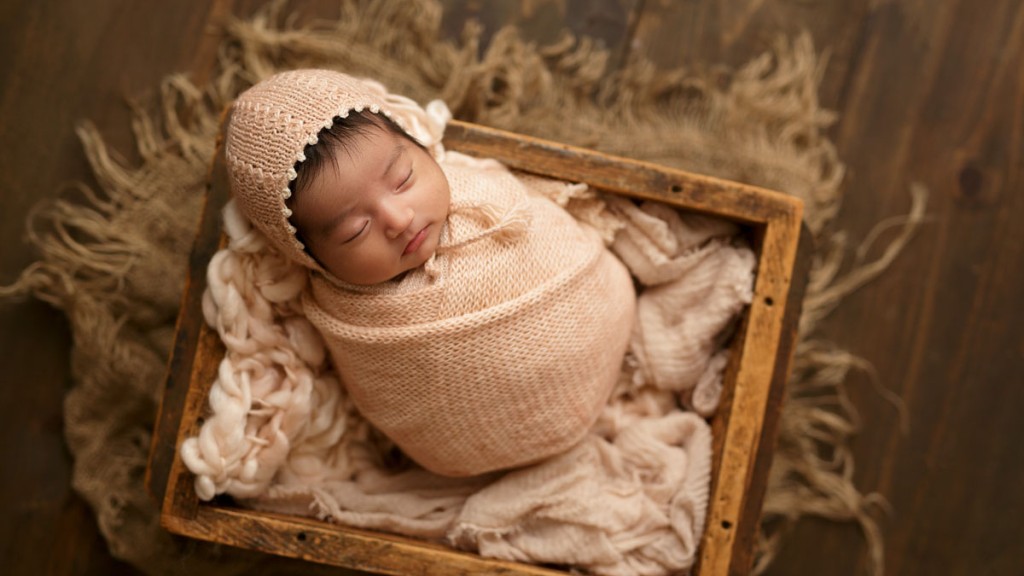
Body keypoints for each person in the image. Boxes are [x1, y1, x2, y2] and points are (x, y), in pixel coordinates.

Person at [223, 69, 637, 477]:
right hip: (473, 448)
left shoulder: (482, 194)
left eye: (403, 179)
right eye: (356, 231)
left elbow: (548, 228)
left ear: (420, 144)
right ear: (310, 258)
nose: (400, 219)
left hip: (607, 320)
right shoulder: (345, 315)